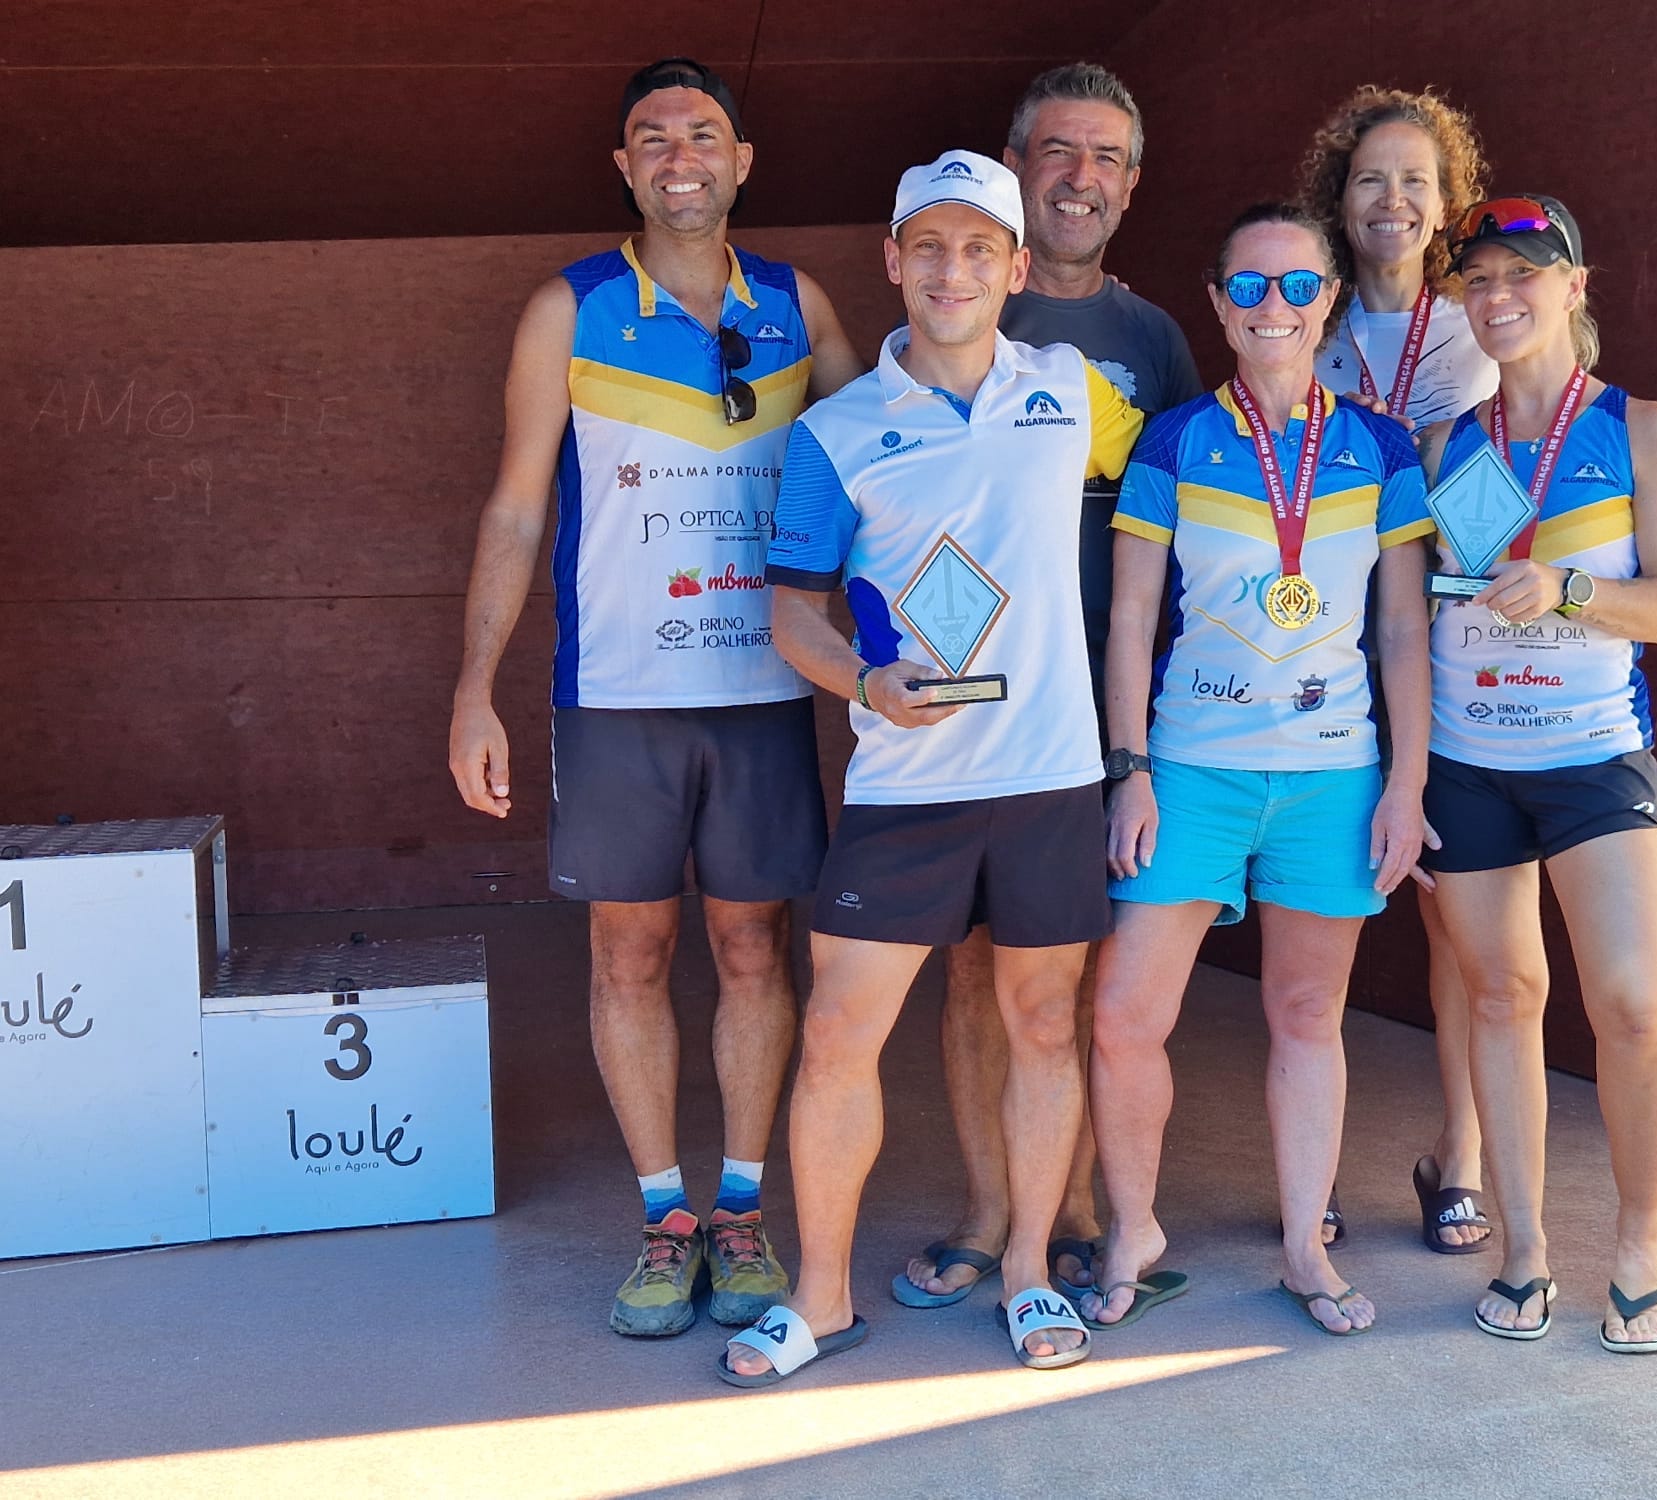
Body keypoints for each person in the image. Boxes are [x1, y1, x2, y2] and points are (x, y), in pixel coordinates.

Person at [446, 57, 863, 1340]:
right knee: (627, 953)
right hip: (616, 695)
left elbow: (889, 477)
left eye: (703, 134)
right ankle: (663, 1220)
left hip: (762, 686)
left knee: (751, 948)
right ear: (625, 169)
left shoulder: (797, 304)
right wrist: (473, 689)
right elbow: (517, 507)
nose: (681, 156)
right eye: (654, 138)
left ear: (743, 163)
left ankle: (739, 1212)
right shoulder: (568, 309)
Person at [715, 150, 1143, 1387]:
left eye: (978, 250)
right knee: (837, 1035)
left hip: (1050, 774)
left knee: (1042, 1026)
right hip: (906, 783)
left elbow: (1195, 473)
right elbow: (791, 616)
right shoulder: (832, 431)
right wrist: (864, 686)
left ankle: (1027, 1274)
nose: (952, 271)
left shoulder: (1069, 390)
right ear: (892, 260)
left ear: (1016, 269)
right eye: (929, 246)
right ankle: (821, 1299)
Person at [1083, 203, 1431, 1336]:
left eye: (1295, 285)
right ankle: (1133, 1230)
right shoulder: (1173, 441)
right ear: (1216, 304)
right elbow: (1130, 620)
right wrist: (1129, 769)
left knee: (1306, 1012)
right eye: (1246, 286)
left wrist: (1407, 784)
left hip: (1334, 773)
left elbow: (1403, 630)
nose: (1270, 306)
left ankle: (1301, 1249)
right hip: (1191, 766)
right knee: (1124, 1015)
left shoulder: (1381, 448)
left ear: (1328, 300)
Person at [896, 62, 1204, 1312]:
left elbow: (1198, 521)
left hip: (1106, 705)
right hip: (974, 698)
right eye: (1059, 153)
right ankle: (989, 1212)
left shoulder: (1153, 340)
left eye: (1107, 159)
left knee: (1075, 966)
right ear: (1016, 167)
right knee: (977, 965)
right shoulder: (953, 297)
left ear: (1130, 185)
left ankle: (1068, 1209)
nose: (1081, 178)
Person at [1413, 196, 1657, 1351]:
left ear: (1572, 287)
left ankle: (1639, 1247)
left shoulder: (1645, 430)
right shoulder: (1443, 443)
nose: (1498, 296)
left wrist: (1568, 588)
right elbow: (1412, 612)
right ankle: (1523, 1248)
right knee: (1500, 997)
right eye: (1477, 279)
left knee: (1630, 1002)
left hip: (1591, 757)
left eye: (1521, 274)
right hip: (1467, 761)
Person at [1295, 86, 1500, 1254]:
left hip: (1454, 653)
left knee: (1453, 922)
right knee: (1318, 915)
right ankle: (1309, 1161)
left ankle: (1455, 1153)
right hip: (1326, 650)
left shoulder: (1482, 322)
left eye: (1415, 179)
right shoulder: (1302, 318)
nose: (1392, 199)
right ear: (1338, 198)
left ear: (1444, 201)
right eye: (1370, 177)